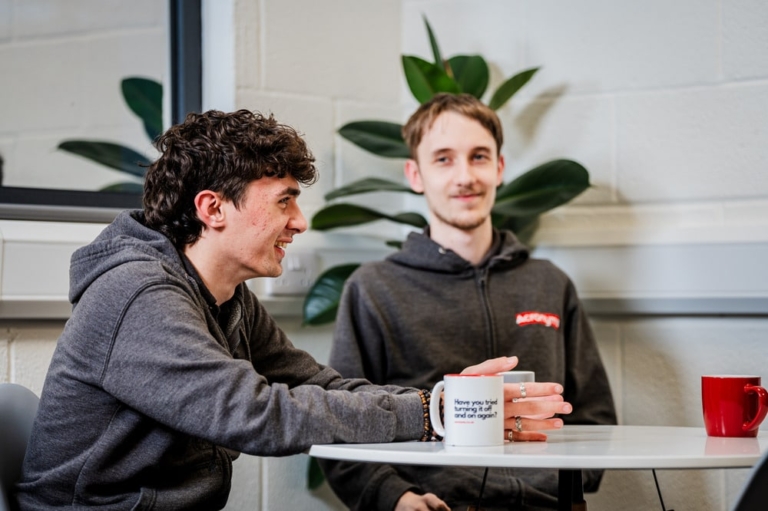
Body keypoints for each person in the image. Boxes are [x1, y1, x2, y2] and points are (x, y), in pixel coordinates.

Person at [14, 109, 571, 510]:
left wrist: (445, 404)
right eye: (284, 200)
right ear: (212, 209)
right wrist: (433, 416)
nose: (301, 221)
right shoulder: (135, 295)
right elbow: (256, 413)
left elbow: (322, 386)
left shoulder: (230, 299)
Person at [319, 94, 618, 511]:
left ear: (498, 168)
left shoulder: (550, 283)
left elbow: (597, 420)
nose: (465, 176)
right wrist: (397, 498)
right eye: (443, 159)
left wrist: (559, 483)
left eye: (478, 157)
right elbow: (343, 422)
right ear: (415, 174)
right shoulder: (372, 288)